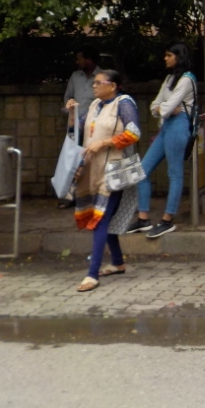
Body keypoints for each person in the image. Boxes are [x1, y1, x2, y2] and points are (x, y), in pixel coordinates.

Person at [68, 69, 140, 292]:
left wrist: (105, 142)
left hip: (115, 169)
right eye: (94, 83)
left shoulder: (124, 103)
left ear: (113, 85)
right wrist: (72, 114)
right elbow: (76, 130)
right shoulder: (93, 105)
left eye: (99, 83)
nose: (94, 86)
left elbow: (134, 132)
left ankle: (92, 274)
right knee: (103, 217)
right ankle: (117, 262)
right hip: (94, 169)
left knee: (101, 217)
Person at [128, 43, 196, 239]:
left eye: (168, 55)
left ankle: (167, 220)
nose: (165, 58)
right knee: (142, 170)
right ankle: (143, 218)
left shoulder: (187, 79)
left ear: (178, 57)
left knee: (174, 173)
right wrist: (163, 108)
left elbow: (165, 108)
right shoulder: (170, 78)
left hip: (179, 125)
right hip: (166, 126)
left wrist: (164, 108)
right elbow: (155, 106)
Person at [60, 45, 101, 208]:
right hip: (76, 127)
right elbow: (67, 98)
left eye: (80, 58)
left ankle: (95, 196)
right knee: (73, 161)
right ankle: (71, 197)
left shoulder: (102, 76)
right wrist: (68, 107)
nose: (77, 62)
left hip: (95, 129)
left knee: (92, 161)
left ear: (89, 59)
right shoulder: (75, 77)